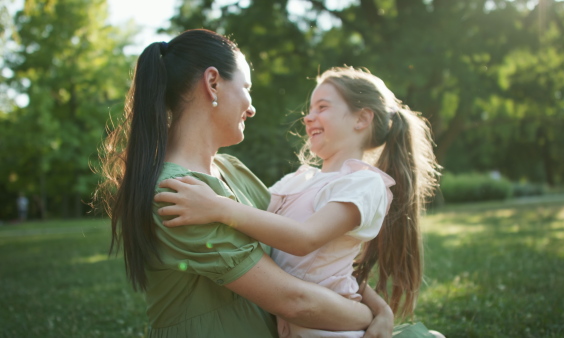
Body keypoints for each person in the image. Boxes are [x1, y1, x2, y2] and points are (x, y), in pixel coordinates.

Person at [96, 29, 396, 338]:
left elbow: (311, 256)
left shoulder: (231, 170)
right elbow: (294, 301)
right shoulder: (176, 194)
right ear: (213, 84)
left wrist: (380, 308)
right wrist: (370, 315)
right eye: (247, 88)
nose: (251, 108)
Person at [155, 67, 443, 337]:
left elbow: (306, 240)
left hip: (335, 330)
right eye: (310, 109)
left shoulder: (364, 184)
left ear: (361, 119)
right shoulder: (297, 180)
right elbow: (259, 227)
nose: (308, 117)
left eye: (323, 107)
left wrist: (218, 207)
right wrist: (380, 308)